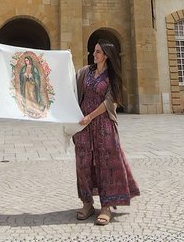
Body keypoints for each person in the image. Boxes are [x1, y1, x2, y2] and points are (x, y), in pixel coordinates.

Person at [74, 40, 139, 226]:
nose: (94, 54)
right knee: (83, 162)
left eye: (98, 52)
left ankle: (106, 206)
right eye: (94, 51)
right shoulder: (85, 72)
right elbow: (68, 84)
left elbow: (111, 101)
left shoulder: (112, 76)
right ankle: (87, 203)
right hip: (83, 125)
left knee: (106, 164)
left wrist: (90, 116)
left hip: (103, 124)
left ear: (106, 56)